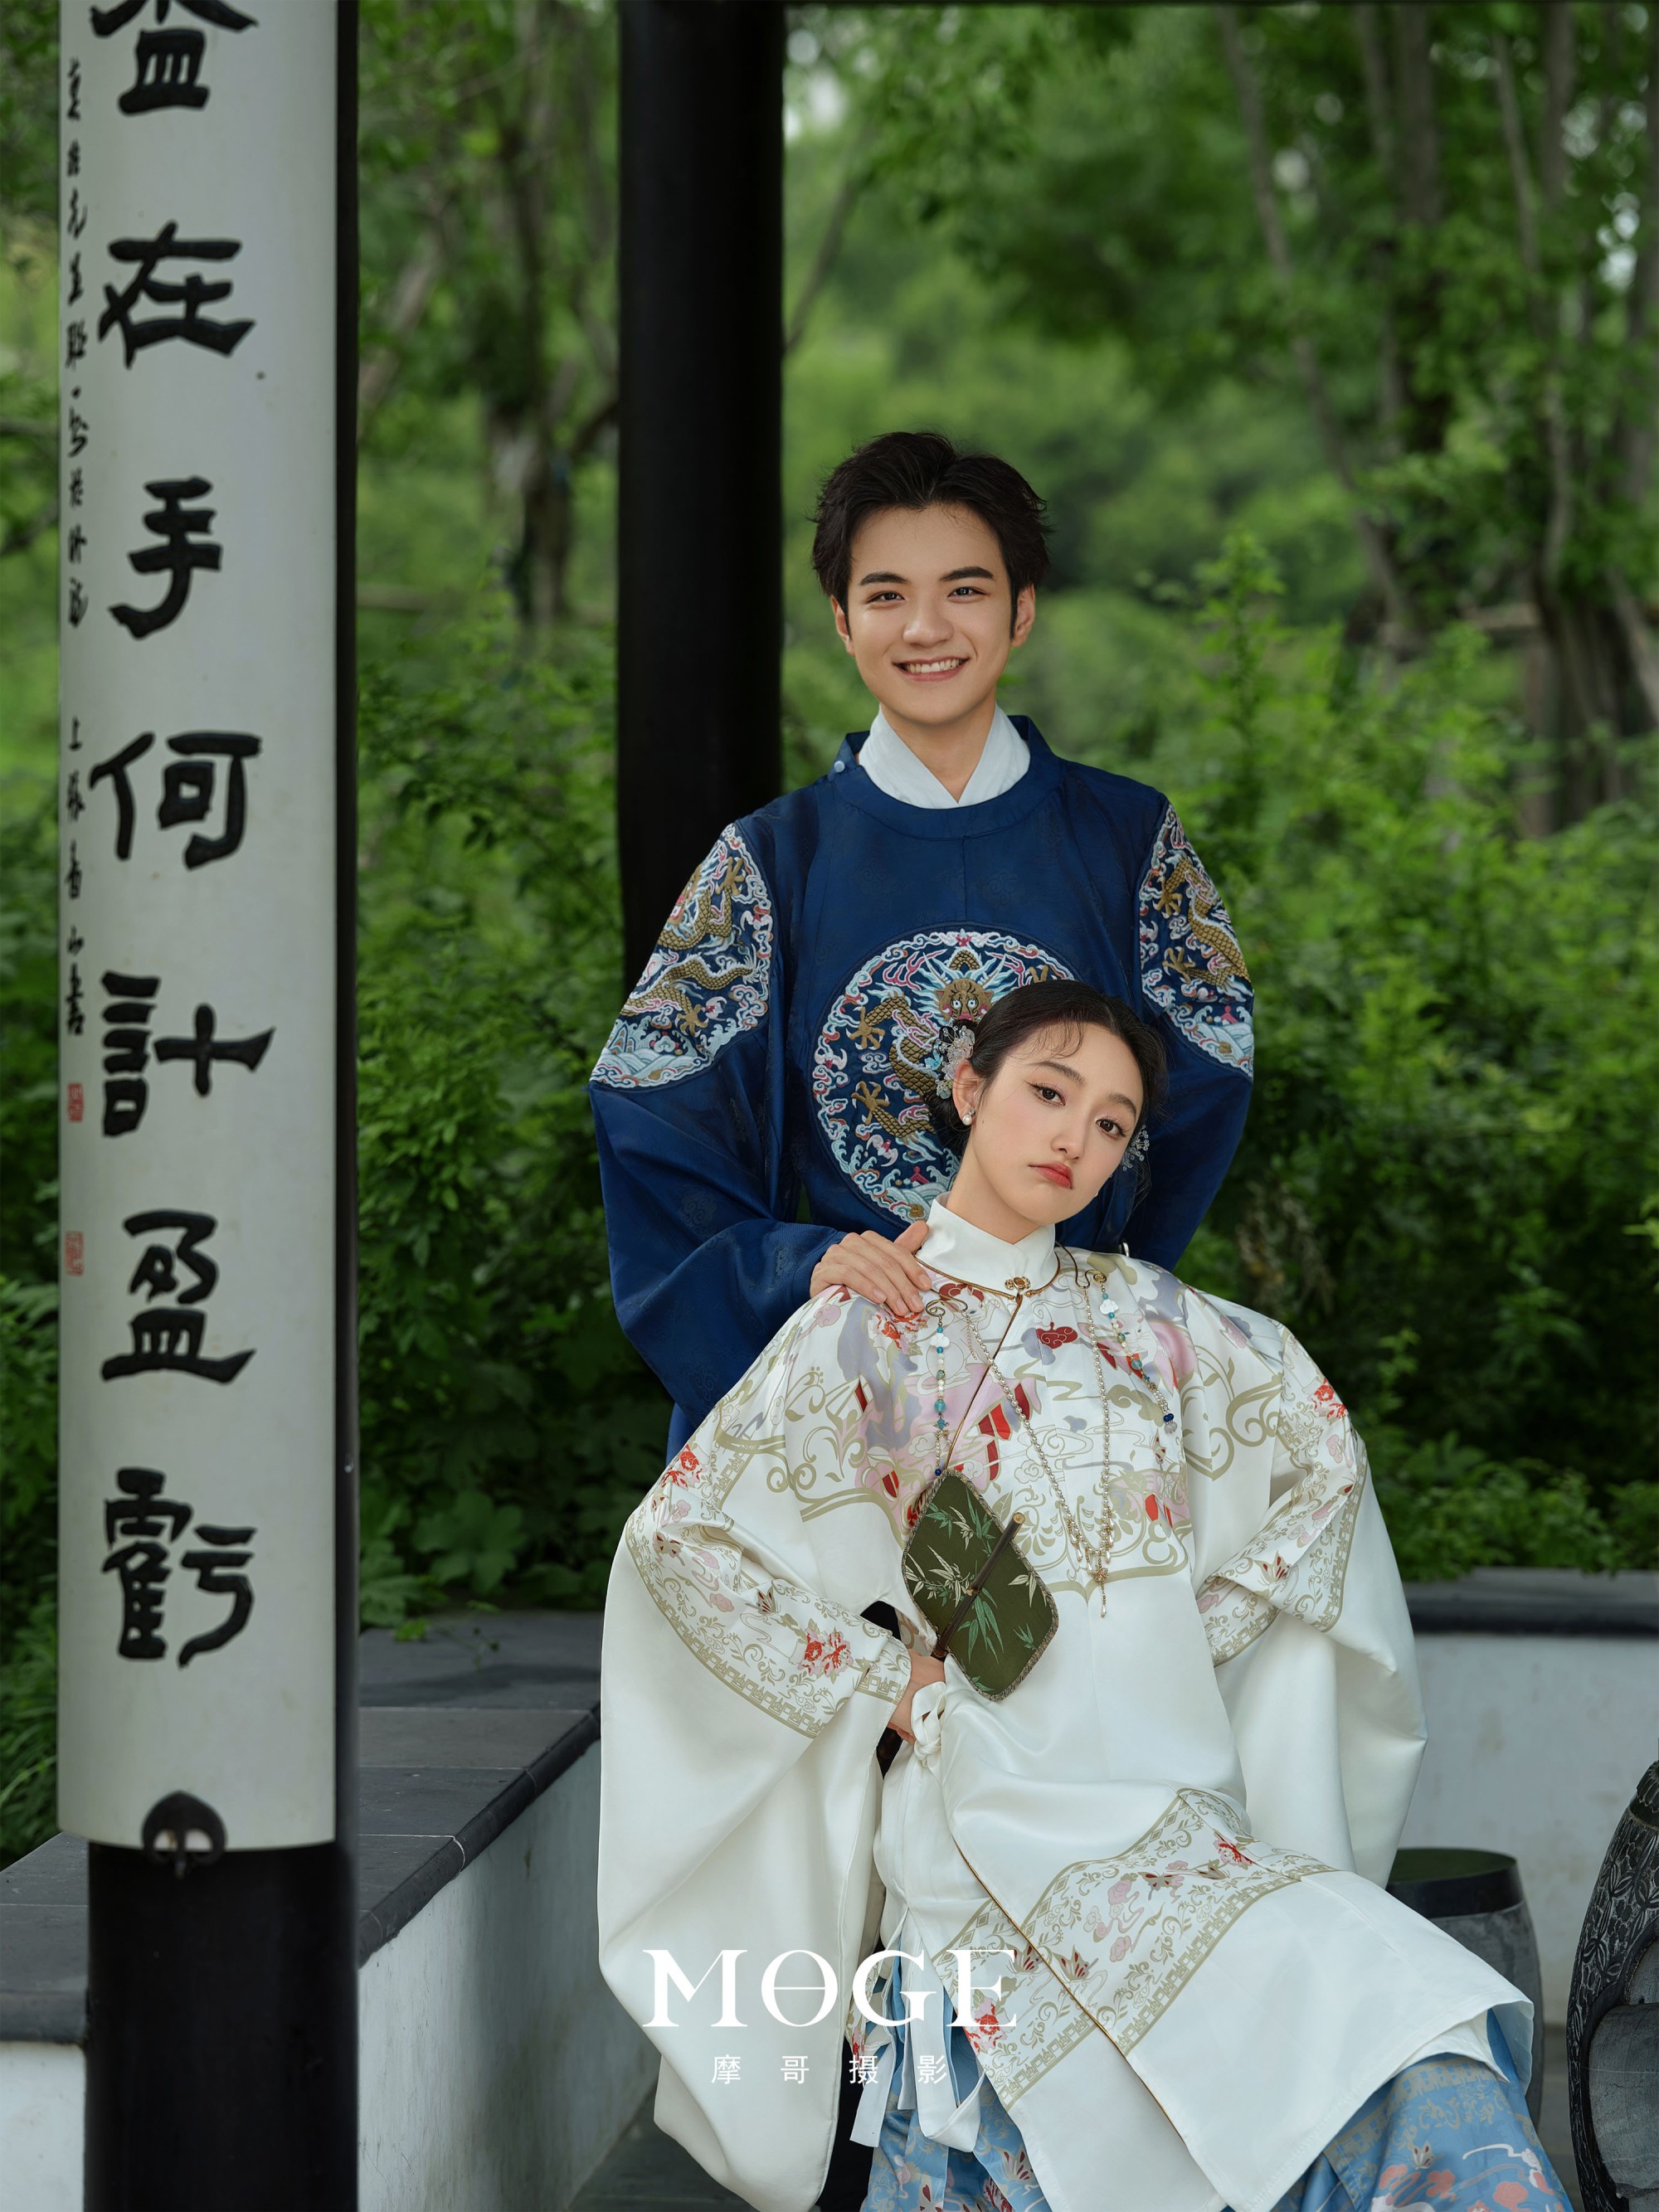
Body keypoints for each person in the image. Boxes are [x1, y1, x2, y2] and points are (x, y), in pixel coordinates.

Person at [597, 980, 1568, 2212]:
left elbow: (1323, 1455)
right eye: (1048, 1092)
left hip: (1174, 1814)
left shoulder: (1154, 1320)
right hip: (985, 1807)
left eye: (1111, 1123)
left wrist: (1194, 1639)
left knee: (1422, 2047)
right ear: (968, 1088)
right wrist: (891, 1682)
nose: (1074, 1138)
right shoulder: (868, 1329)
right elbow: (682, 1542)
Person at [590, 431, 1255, 1455]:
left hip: (1069, 1373)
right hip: (840, 1370)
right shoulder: (767, 862)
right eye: (887, 594)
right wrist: (793, 1265)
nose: (926, 628)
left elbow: (1204, 1070)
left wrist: (1090, 1278)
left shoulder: (1128, 841)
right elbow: (654, 1116)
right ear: (841, 619)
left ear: (1021, 610)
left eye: (964, 590)